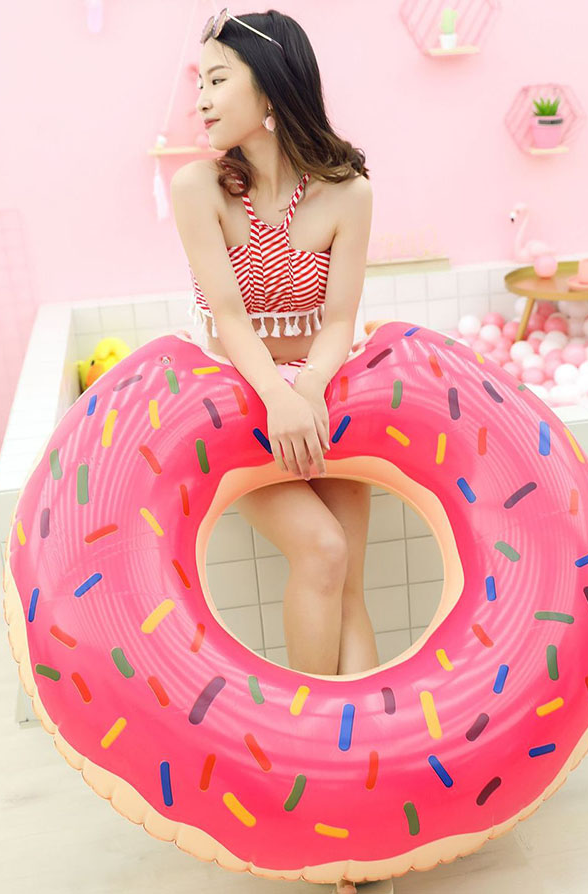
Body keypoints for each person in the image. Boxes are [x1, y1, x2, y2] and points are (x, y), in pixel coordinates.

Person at [170, 11, 390, 894]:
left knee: (351, 581)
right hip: (238, 398)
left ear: (271, 86)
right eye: (198, 81)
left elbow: (338, 321)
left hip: (326, 392)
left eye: (217, 78)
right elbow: (228, 320)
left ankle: (366, 795)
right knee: (323, 550)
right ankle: (311, 774)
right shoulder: (199, 186)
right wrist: (277, 396)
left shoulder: (348, 192)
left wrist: (310, 391)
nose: (200, 98)